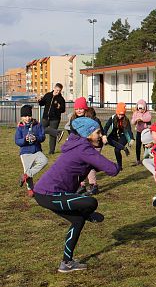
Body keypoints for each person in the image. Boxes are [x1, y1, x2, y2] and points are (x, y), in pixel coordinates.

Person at [32, 117, 120, 273]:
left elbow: (97, 165)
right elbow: (113, 170)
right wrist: (117, 154)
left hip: (44, 193)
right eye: (98, 132)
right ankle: (88, 215)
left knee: (77, 220)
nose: (100, 135)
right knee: (91, 203)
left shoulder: (78, 146)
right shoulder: (84, 149)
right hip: (49, 194)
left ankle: (66, 263)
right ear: (87, 134)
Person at [15, 104, 48, 196]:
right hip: (25, 153)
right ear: (22, 117)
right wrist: (24, 140)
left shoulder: (37, 125)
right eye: (25, 116)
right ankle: (30, 189)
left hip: (36, 150)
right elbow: (17, 141)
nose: (27, 118)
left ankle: (26, 175)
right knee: (27, 169)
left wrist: (36, 138)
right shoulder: (20, 127)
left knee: (44, 161)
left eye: (29, 116)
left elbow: (43, 137)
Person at [103, 102, 134, 170]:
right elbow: (106, 127)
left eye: (122, 114)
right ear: (116, 113)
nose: (120, 116)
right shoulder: (112, 118)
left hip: (123, 136)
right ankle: (124, 148)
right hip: (114, 135)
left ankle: (119, 166)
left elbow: (129, 130)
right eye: (119, 114)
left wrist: (131, 138)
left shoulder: (126, 119)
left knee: (117, 150)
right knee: (107, 141)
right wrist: (104, 135)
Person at [38, 83, 66, 154]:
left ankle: (51, 151)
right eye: (57, 90)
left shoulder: (61, 99)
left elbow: (63, 110)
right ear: (54, 88)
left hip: (55, 119)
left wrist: (60, 107)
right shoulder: (48, 95)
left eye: (59, 91)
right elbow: (42, 103)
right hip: (45, 118)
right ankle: (58, 132)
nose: (58, 92)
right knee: (40, 130)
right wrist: (39, 100)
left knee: (52, 135)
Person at [131, 99, 153, 165]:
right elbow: (132, 121)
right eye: (139, 108)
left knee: (146, 146)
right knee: (138, 146)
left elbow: (149, 118)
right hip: (139, 132)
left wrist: (141, 119)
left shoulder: (147, 113)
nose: (140, 110)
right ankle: (138, 160)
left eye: (142, 108)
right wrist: (135, 121)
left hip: (146, 132)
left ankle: (147, 159)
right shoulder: (136, 113)